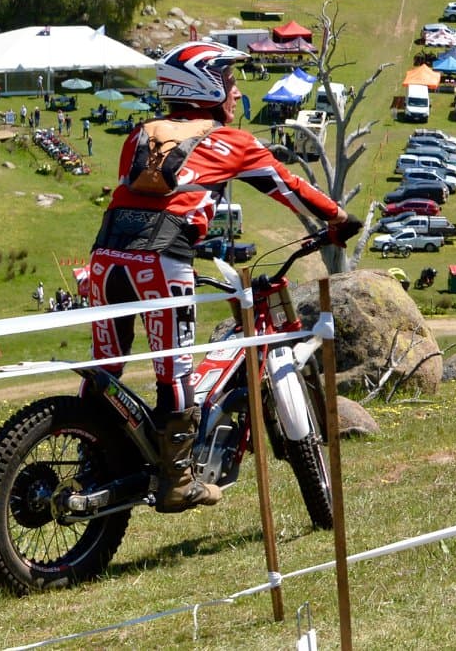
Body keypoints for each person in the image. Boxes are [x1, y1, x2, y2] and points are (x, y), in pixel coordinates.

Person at [87, 41, 351, 513]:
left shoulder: (138, 135)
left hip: (105, 256)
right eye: (229, 80)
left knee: (107, 365)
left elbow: (152, 197)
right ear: (205, 84)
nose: (236, 91)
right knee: (175, 369)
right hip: (161, 262)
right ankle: (177, 480)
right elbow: (288, 187)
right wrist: (337, 219)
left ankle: (88, 448)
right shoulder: (231, 140)